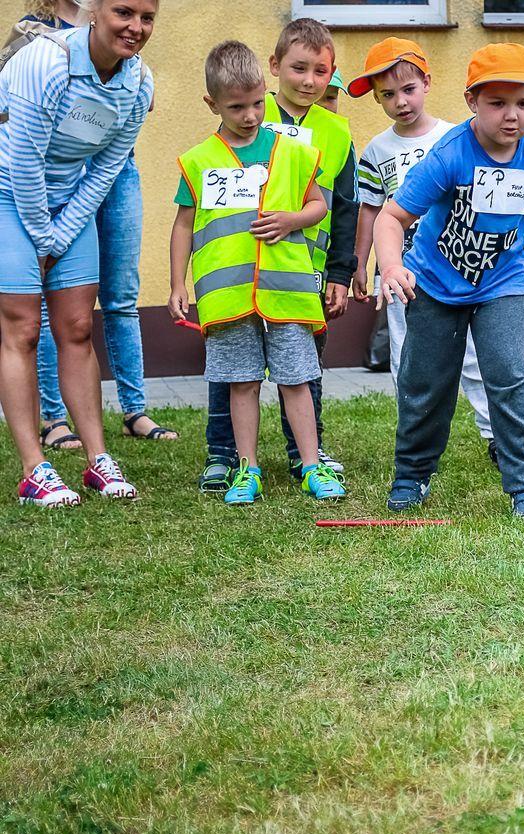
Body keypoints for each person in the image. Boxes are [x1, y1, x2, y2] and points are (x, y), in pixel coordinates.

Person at [376, 43, 524, 521]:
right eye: (497, 103)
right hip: (435, 284)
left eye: (523, 103)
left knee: (510, 375)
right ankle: (411, 475)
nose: (512, 116)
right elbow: (391, 218)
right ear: (471, 101)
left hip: (504, 282)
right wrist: (393, 267)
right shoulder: (449, 155)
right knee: (426, 382)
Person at [168, 41, 346, 505]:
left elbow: (318, 205)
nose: (249, 115)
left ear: (265, 92)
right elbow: (183, 225)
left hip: (286, 292)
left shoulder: (292, 152)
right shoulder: (198, 160)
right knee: (241, 382)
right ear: (212, 104)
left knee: (296, 378)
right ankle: (247, 469)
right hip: (227, 295)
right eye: (236, 107)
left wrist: (291, 220)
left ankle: (311, 465)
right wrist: (175, 285)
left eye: (255, 103)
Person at [0, 0, 156, 507]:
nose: (135, 27)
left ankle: (97, 462)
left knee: (77, 327)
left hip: (67, 204)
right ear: (94, 12)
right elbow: (23, 164)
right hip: (9, 196)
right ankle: (33, 469)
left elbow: (106, 166)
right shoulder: (45, 62)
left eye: (147, 17)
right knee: (22, 327)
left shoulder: (139, 83)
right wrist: (44, 238)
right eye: (123, 12)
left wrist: (61, 232)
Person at [347, 37, 497, 465]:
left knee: (470, 357)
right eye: (388, 95)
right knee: (407, 354)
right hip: (404, 271)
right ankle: (413, 440)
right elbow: (372, 209)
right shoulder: (376, 150)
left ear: (427, 83)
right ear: (377, 98)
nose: (400, 102)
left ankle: (494, 435)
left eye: (408, 89)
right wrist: (363, 262)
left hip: (457, 265)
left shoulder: (457, 136)